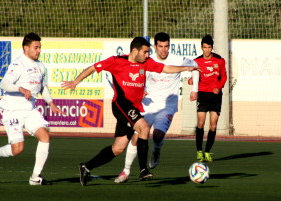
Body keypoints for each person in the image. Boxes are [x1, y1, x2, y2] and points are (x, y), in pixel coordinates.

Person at [61, 36, 199, 186]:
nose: (148, 55)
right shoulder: (116, 61)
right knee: (144, 128)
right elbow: (93, 67)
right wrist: (75, 82)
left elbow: (165, 68)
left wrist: (186, 68)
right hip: (121, 104)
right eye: (145, 52)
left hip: (132, 108)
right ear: (135, 51)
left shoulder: (146, 63)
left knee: (118, 148)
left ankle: (86, 167)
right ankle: (143, 170)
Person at [114, 32, 199, 183]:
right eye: (160, 46)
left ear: (169, 46)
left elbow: (195, 66)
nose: (163, 50)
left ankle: (156, 150)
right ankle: (125, 172)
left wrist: (195, 89)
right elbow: (136, 76)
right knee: (136, 137)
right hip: (148, 106)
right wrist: (141, 90)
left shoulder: (178, 60)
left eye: (166, 46)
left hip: (168, 106)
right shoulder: (147, 60)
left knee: (158, 135)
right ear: (155, 46)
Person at [0, 32, 65, 185]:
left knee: (45, 136)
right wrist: (20, 89)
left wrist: (51, 103)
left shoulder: (40, 66)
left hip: (30, 110)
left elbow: (43, 87)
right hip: (13, 110)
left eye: (40, 47)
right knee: (17, 149)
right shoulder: (18, 64)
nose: (39, 50)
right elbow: (4, 84)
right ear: (25, 48)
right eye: (36, 47)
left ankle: (35, 177)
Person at [193, 35, 227, 162]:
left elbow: (224, 76)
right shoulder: (196, 61)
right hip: (202, 94)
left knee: (213, 125)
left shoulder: (219, 60)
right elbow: (194, 76)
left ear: (212, 48)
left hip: (215, 95)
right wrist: (192, 80)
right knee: (200, 123)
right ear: (201, 47)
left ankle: (207, 152)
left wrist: (218, 87)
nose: (207, 50)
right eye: (205, 48)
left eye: (209, 48)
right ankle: (199, 151)